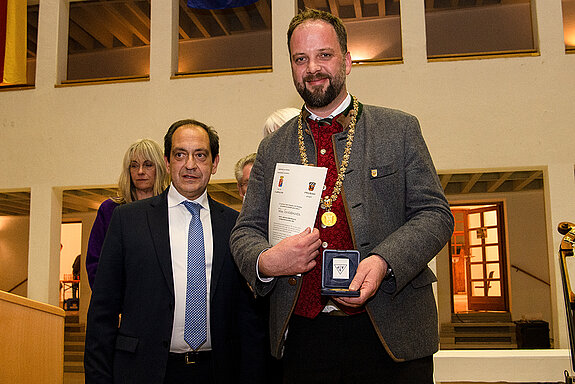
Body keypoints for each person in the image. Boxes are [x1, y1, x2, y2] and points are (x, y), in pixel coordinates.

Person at [230, 8, 454, 384]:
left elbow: (436, 214)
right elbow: (244, 232)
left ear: (347, 61)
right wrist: (267, 260)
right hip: (304, 336)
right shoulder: (272, 148)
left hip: (391, 333)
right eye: (300, 58)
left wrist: (383, 261)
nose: (313, 67)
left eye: (324, 55)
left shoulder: (398, 129)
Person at [84, 119, 267, 383]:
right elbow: (103, 311)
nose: (190, 164)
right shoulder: (127, 220)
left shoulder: (234, 225)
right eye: (180, 154)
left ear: (214, 164)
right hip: (144, 371)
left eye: (200, 155)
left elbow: (247, 316)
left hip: (217, 371)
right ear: (168, 163)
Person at [85, 138, 169, 288]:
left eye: (148, 165)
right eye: (134, 166)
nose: (140, 171)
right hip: (122, 304)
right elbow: (95, 263)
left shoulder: (171, 209)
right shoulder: (110, 210)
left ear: (160, 168)